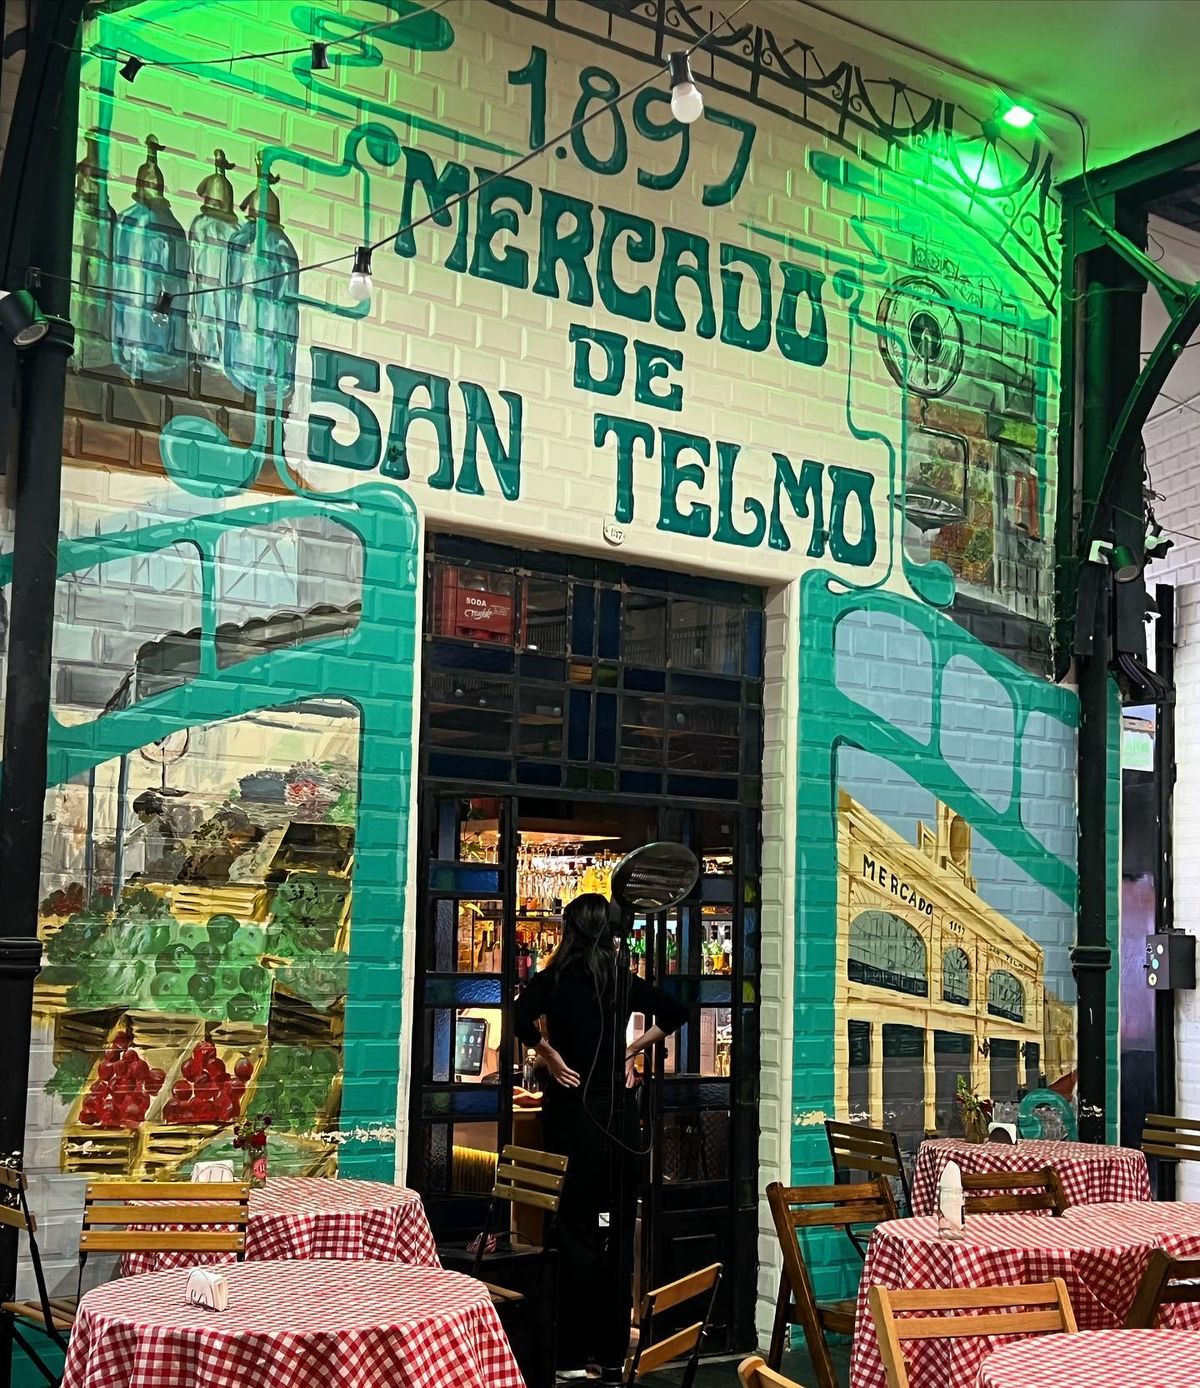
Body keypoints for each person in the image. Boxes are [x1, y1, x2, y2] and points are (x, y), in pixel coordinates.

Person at [514, 893, 687, 1383]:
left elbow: (520, 1019)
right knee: (617, 1229)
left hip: (571, 1114)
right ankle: (611, 1354)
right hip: (615, 1113)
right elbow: (677, 1012)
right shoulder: (619, 981)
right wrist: (629, 1050)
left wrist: (551, 1057)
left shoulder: (554, 980)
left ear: (570, 930)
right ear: (608, 933)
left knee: (572, 1228)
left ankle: (569, 1352)